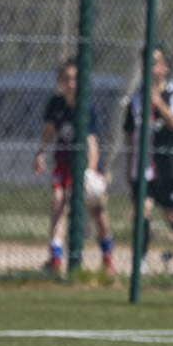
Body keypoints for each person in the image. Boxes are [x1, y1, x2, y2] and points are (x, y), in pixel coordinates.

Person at [32, 56, 116, 275]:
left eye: (75, 79)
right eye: (66, 78)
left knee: (96, 211)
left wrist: (89, 173)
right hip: (64, 162)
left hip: (86, 165)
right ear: (60, 81)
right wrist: (40, 153)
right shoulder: (56, 104)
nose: (71, 84)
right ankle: (56, 257)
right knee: (59, 202)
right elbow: (50, 131)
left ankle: (108, 257)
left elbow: (92, 145)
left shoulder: (86, 108)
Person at [124, 46, 173, 272]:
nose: (150, 68)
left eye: (155, 63)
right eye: (146, 63)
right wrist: (128, 165)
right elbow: (130, 134)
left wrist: (156, 100)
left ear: (165, 67)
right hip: (143, 167)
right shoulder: (136, 98)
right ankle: (141, 261)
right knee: (143, 210)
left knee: (172, 215)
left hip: (168, 167)